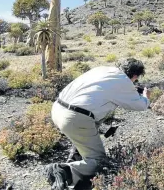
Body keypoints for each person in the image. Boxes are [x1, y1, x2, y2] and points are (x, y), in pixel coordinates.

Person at [44, 58, 151, 190]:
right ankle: (64, 170)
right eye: (136, 79)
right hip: (75, 117)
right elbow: (140, 105)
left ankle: (72, 178)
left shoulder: (102, 70)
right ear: (135, 76)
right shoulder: (124, 82)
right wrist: (145, 96)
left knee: (86, 138)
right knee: (99, 162)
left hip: (58, 109)